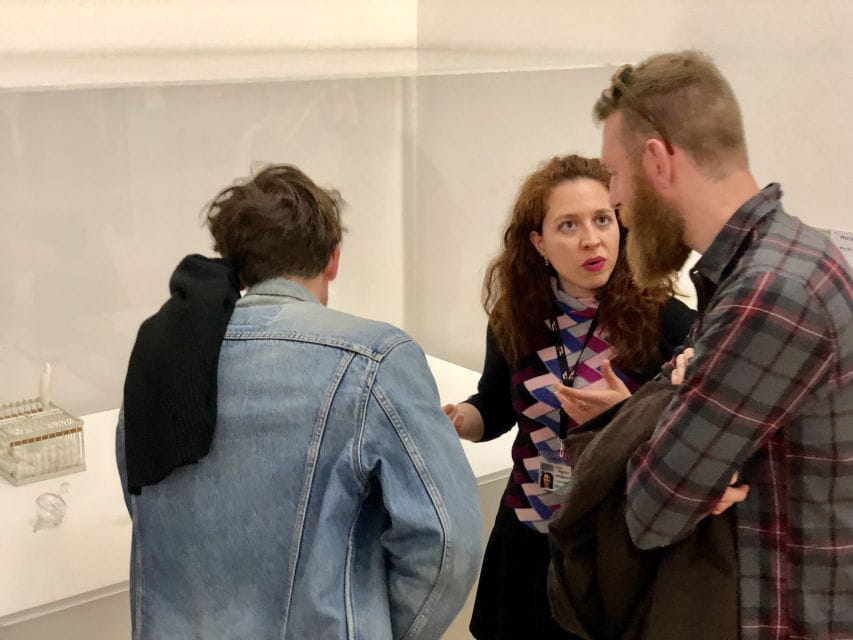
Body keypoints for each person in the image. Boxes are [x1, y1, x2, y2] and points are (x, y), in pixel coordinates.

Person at [115, 164, 482, 640]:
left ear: (236, 260)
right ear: (333, 258)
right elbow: (448, 544)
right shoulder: (374, 359)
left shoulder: (161, 356)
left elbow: (145, 502)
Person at [594, 50, 853, 639]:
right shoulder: (792, 256)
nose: (613, 199)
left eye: (614, 174)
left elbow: (652, 510)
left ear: (657, 160)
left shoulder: (769, 293)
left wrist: (660, 435)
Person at [443, 154, 695, 640]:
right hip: (528, 529)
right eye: (568, 225)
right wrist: (460, 419)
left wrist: (627, 415)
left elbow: (694, 440)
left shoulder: (666, 322)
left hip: (612, 544)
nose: (591, 239)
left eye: (603, 220)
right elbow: (495, 406)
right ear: (538, 242)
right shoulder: (515, 318)